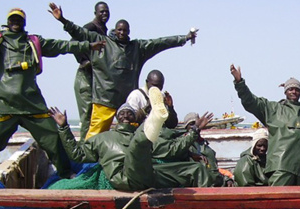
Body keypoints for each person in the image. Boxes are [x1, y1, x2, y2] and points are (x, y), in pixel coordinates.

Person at [0, 8, 104, 181]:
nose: (15, 22)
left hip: (31, 104)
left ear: (24, 22)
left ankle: (65, 173)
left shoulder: (34, 42)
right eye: (13, 19)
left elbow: (62, 46)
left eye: (19, 19)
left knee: (53, 138)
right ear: (7, 21)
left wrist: (88, 46)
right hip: (3, 105)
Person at [49, 3, 198, 139]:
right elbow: (79, 32)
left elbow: (160, 43)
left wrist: (183, 38)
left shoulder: (137, 48)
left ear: (129, 32)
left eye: (124, 30)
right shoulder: (102, 42)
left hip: (126, 104)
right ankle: (88, 164)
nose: (121, 32)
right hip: (104, 100)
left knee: (130, 135)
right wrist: (62, 19)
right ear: (115, 30)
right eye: (119, 30)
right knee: (93, 136)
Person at [51, 87, 215, 191]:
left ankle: (220, 195)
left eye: (129, 112)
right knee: (137, 146)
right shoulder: (103, 139)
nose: (125, 115)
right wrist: (64, 127)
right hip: (123, 177)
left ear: (135, 116)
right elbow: (77, 154)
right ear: (116, 119)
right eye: (121, 113)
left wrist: (193, 132)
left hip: (148, 174)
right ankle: (155, 118)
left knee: (194, 169)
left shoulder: (143, 134)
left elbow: (170, 150)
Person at [73, 1, 110, 141]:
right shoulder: (90, 27)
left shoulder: (104, 30)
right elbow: (73, 42)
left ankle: (91, 147)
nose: (105, 14)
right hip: (85, 78)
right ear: (95, 13)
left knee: (95, 114)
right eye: (102, 11)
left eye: (106, 11)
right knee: (87, 115)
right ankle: (84, 150)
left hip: (95, 78)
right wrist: (83, 60)